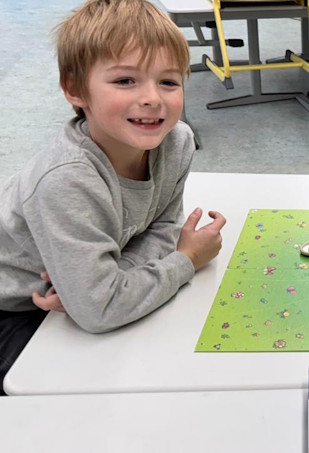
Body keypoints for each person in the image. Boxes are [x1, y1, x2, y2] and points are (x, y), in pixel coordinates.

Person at [0, 0, 226, 395]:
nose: (153, 98)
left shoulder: (177, 143)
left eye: (168, 82)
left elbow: (162, 226)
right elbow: (100, 311)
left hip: (79, 289)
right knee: (82, 399)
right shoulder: (66, 179)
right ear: (75, 89)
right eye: (125, 81)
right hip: (16, 308)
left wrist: (110, 281)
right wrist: (187, 260)